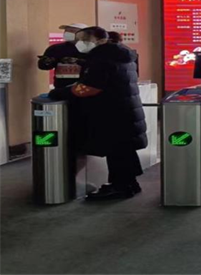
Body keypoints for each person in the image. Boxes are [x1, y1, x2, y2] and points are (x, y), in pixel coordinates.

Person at [49, 26, 147, 200]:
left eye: (83, 40)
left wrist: (59, 93)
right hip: (125, 110)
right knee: (125, 149)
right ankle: (129, 184)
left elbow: (90, 88)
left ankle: (120, 187)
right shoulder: (121, 54)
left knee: (116, 151)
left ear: (98, 40)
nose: (79, 43)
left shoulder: (102, 59)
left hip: (110, 112)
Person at [38, 23, 88, 88]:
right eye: (66, 31)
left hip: (86, 87)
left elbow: (96, 65)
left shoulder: (90, 49)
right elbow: (43, 67)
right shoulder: (55, 48)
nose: (68, 33)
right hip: (61, 87)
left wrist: (78, 61)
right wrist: (45, 62)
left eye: (72, 31)